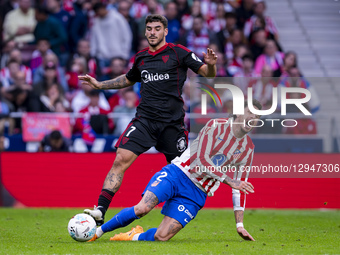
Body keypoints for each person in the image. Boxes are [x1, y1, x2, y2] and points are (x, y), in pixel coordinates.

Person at [79, 14, 218, 226]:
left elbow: (208, 75)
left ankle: (172, 218)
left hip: (172, 125)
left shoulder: (179, 52)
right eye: (149, 28)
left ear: (165, 31)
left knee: (182, 173)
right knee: (120, 159)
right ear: (145, 32)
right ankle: (99, 211)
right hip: (145, 121)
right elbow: (127, 79)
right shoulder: (141, 57)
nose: (152, 32)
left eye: (157, 28)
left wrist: (211, 66)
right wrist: (100, 85)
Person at [87, 100, 262, 243]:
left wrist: (240, 225)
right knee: (143, 208)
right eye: (250, 113)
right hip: (178, 174)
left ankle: (134, 235)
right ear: (238, 113)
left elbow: (240, 187)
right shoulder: (216, 126)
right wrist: (229, 180)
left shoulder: (248, 149)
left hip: (197, 193)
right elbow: (200, 162)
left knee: (162, 236)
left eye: (257, 117)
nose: (253, 118)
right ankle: (97, 232)